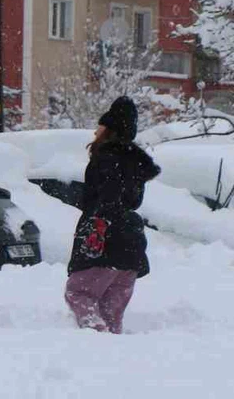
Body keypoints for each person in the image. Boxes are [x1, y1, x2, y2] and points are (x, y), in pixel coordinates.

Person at [64, 96, 161, 334]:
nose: (96, 130)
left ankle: (95, 335)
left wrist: (97, 222)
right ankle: (112, 354)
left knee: (79, 293)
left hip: (106, 238)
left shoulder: (106, 159)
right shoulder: (136, 164)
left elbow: (107, 197)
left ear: (109, 128)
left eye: (101, 125)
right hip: (131, 245)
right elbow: (132, 200)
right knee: (111, 314)